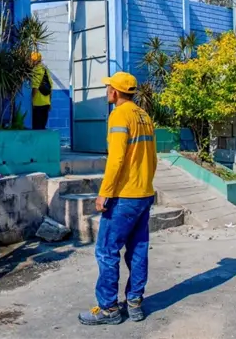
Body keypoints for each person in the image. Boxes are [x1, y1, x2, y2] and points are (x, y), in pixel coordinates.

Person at [79, 71, 157, 326]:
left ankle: (109, 308)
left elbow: (116, 158)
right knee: (138, 249)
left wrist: (105, 192)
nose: (107, 91)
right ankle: (134, 303)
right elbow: (153, 158)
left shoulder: (119, 115)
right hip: (144, 193)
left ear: (114, 92)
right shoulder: (144, 116)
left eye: (108, 88)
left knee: (107, 251)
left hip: (124, 196)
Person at [30, 52, 52, 130]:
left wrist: (31, 100)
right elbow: (50, 87)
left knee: (37, 127)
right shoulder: (45, 70)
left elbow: (35, 87)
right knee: (43, 126)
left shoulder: (36, 70)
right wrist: (50, 102)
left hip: (38, 103)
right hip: (46, 103)